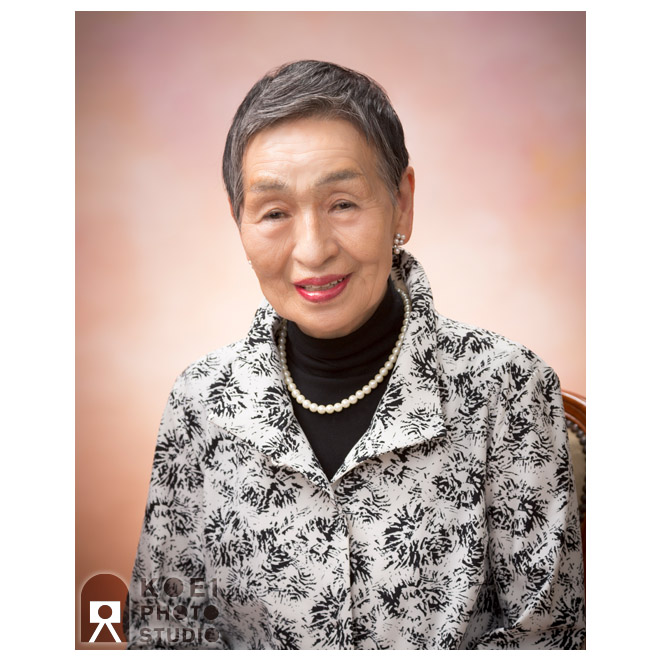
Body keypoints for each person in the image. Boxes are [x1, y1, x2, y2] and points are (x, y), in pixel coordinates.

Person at [124, 60, 585, 650]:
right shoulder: (201, 402)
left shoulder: (509, 387)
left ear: (402, 203)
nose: (313, 250)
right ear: (239, 222)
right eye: (274, 212)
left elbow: (547, 637)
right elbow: (165, 635)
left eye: (343, 203)